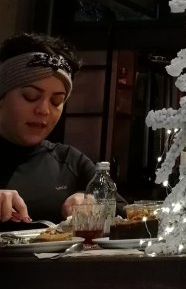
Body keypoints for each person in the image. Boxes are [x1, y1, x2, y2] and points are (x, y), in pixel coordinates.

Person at [0, 32, 124, 230]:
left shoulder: (69, 161)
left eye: (56, 101)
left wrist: (91, 201)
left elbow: (126, 213)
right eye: (30, 96)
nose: (44, 110)